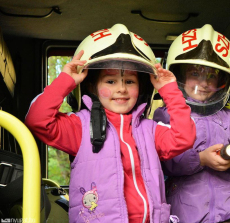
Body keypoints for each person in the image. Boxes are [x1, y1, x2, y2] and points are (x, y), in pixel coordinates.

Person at [25, 24, 196, 223]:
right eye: (110, 81)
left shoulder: (150, 130)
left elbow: (184, 138)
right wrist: (66, 81)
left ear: (141, 89)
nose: (121, 89)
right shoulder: (80, 126)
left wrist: (169, 91)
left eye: (130, 82)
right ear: (92, 87)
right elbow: (37, 120)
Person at [153, 24, 230, 223]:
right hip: (186, 217)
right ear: (180, 75)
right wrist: (200, 159)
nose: (203, 83)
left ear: (222, 81)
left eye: (211, 76)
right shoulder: (166, 116)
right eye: (195, 74)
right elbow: (162, 163)